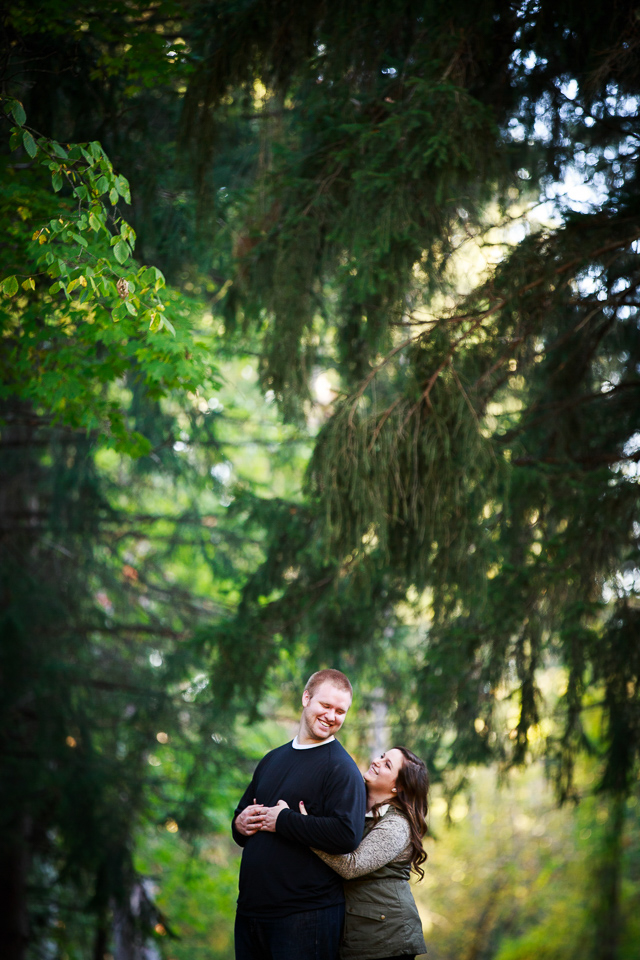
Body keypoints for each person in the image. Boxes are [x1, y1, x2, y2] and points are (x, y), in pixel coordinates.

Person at [232, 668, 367, 960]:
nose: (332, 716)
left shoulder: (341, 769)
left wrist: (284, 821)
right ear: (306, 698)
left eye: (340, 711)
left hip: (305, 917)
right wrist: (239, 824)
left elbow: (347, 834)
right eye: (326, 706)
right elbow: (242, 816)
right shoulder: (272, 759)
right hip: (251, 913)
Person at [271, 746, 429, 960]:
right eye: (382, 756)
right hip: (360, 932)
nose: (377, 761)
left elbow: (352, 866)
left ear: (398, 787)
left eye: (387, 765)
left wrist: (299, 827)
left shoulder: (397, 824)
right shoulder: (357, 809)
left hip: (388, 938)